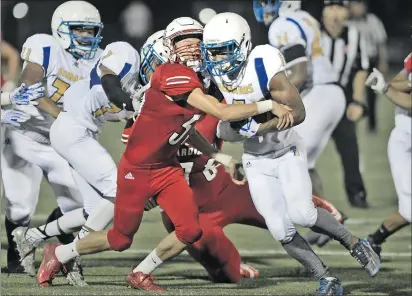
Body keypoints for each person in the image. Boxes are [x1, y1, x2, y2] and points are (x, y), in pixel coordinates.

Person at [36, 54, 286, 290]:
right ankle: (58, 253)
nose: (193, 50)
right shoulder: (171, 74)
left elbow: (186, 129)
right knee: (120, 240)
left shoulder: (192, 83)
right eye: (185, 42)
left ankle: (141, 272)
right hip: (137, 173)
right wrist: (269, 104)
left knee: (190, 230)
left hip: (167, 170)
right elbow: (222, 112)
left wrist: (218, 155)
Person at [123, 26, 347, 283]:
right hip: (190, 204)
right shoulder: (148, 107)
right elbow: (139, 157)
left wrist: (232, 141)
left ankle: (319, 212)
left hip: (223, 187)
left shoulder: (211, 85)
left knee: (282, 208)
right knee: (226, 272)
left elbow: (229, 112)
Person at [201, 11, 380, 296]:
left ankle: (355, 244)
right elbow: (213, 118)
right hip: (255, 159)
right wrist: (231, 132)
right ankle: (325, 278)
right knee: (279, 228)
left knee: (303, 213)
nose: (218, 60)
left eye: (224, 51)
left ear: (243, 45)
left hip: (286, 150)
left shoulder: (262, 63)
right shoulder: (213, 76)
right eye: (213, 53)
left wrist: (257, 127)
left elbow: (298, 112)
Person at [2, 0, 104, 276]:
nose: (86, 36)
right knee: (19, 205)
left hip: (61, 143)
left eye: (90, 31)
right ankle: (17, 256)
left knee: (80, 204)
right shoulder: (45, 46)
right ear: (61, 29)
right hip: (23, 137)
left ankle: (51, 246)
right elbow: (31, 84)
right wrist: (65, 118)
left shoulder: (99, 59)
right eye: (79, 29)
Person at [253, 0, 346, 204]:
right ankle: (328, 221)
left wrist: (267, 99)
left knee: (284, 157)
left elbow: (299, 73)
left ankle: (316, 217)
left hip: (319, 92)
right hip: (329, 92)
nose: (264, 8)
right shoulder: (304, 18)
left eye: (269, 2)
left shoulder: (282, 25)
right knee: (305, 162)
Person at [320, 0, 370, 208]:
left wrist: (357, 100)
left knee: (350, 148)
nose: (335, 13)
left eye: (340, 8)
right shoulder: (312, 33)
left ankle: (356, 194)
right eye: (330, 7)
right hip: (314, 99)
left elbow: (360, 68)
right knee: (299, 148)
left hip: (341, 99)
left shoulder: (354, 34)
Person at [365, 54, 411, 257]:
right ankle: (373, 241)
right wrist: (391, 85)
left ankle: (374, 240)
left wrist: (386, 88)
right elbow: (399, 82)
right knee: (409, 210)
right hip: (405, 144)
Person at [349, 0, 388, 132]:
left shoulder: (373, 20)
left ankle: (372, 125)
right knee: (351, 93)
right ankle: (350, 123)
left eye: (359, 4)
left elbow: (380, 42)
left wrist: (383, 62)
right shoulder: (348, 22)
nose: (357, 8)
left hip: (371, 60)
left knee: (372, 94)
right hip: (354, 62)